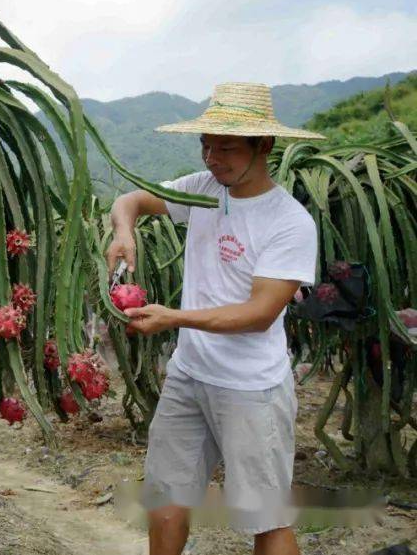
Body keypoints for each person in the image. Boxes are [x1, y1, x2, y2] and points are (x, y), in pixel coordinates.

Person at [106, 83, 323, 555]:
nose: (211, 158)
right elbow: (132, 201)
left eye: (226, 147)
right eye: (206, 144)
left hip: (251, 388)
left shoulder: (288, 222)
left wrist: (173, 318)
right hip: (189, 375)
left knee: (264, 519)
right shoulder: (205, 190)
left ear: (263, 145)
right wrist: (124, 232)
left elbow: (259, 314)